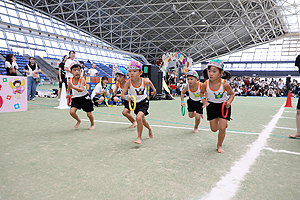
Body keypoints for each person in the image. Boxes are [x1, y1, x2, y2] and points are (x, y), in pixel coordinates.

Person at [201, 59, 235, 153]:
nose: (211, 73)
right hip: (211, 106)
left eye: (214, 71)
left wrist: (229, 102)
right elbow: (201, 93)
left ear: (221, 72)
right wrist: (203, 100)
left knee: (222, 128)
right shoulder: (205, 84)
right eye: (209, 71)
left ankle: (219, 145)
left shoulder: (224, 84)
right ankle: (223, 123)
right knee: (214, 129)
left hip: (224, 107)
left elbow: (232, 94)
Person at [121, 60, 157, 144]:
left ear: (140, 72)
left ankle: (139, 137)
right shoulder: (128, 83)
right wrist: (127, 97)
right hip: (134, 103)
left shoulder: (144, 81)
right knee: (143, 120)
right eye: (129, 71)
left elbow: (150, 83)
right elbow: (122, 95)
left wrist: (154, 90)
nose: (131, 73)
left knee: (138, 117)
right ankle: (149, 128)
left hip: (144, 102)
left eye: (134, 71)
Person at [66, 62, 95, 130]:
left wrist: (72, 86)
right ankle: (78, 120)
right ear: (71, 72)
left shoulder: (82, 79)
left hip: (85, 98)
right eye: (75, 70)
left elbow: (81, 89)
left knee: (89, 115)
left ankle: (92, 124)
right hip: (76, 99)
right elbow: (69, 87)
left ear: (81, 71)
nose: (77, 72)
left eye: (79, 70)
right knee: (72, 112)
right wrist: (68, 94)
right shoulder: (70, 80)